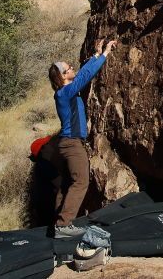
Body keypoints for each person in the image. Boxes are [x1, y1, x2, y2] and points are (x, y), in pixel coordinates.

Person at [48, 38, 118, 238]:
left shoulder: (64, 92)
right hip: (71, 144)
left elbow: (81, 73)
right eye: (69, 68)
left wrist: (95, 55)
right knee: (81, 182)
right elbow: (84, 76)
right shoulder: (65, 92)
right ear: (63, 76)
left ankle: (58, 223)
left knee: (67, 184)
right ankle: (63, 225)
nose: (72, 68)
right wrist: (104, 54)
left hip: (66, 144)